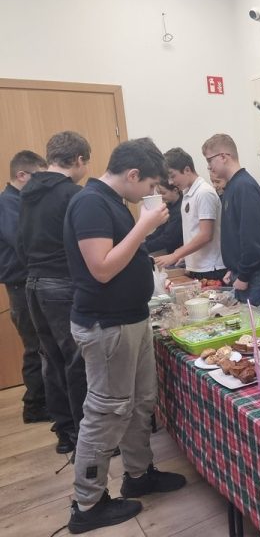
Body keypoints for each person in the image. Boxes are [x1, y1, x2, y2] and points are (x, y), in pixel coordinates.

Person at [64, 138, 186, 533]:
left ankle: (139, 473)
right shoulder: (90, 203)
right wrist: (144, 226)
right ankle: (87, 503)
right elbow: (101, 268)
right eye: (149, 185)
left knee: (140, 403)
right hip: (107, 326)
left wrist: (142, 232)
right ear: (132, 175)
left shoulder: (112, 202)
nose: (151, 193)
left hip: (130, 320)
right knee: (105, 413)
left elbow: (123, 254)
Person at [18, 131, 90, 455]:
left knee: (51, 362)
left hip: (33, 284)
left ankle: (65, 433)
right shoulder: (72, 194)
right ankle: (86, 437)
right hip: (61, 284)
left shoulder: (27, 192)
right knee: (77, 362)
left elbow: (21, 243)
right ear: (78, 160)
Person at [204, 133, 260, 318]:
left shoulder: (244, 187)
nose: (209, 166)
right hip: (244, 273)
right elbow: (235, 235)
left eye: (210, 160)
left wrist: (243, 275)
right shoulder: (232, 187)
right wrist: (233, 268)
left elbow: (253, 239)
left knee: (258, 330)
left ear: (224, 156)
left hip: (255, 276)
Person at [0, 150, 48, 423]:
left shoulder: (18, 201)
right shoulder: (8, 204)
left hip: (26, 283)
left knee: (40, 345)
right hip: (20, 285)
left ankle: (42, 401)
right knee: (35, 347)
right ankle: (35, 406)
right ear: (21, 175)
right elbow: (23, 242)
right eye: (38, 177)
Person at [154, 148, 226, 281]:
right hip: (197, 266)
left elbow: (205, 235)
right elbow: (193, 232)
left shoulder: (204, 192)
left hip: (210, 268)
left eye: (172, 176)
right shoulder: (187, 192)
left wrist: (175, 255)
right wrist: (186, 255)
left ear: (187, 170)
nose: (170, 182)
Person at [144, 180, 183, 255]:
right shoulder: (169, 206)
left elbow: (168, 238)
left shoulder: (180, 210)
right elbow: (160, 229)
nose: (160, 196)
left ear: (175, 190)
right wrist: (145, 240)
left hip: (179, 253)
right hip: (171, 250)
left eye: (163, 193)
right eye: (159, 193)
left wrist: (143, 247)